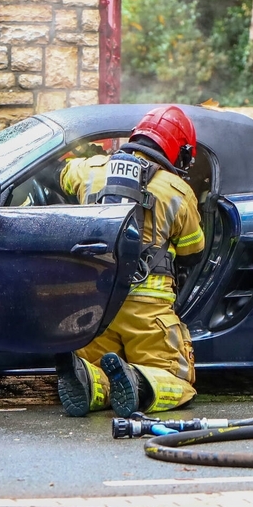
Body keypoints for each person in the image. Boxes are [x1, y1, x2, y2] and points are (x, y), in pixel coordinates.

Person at [54, 105, 206, 418]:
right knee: (178, 380)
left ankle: (90, 382)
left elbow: (64, 174)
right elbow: (193, 249)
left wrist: (88, 158)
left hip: (95, 308)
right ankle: (137, 382)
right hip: (147, 310)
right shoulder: (177, 190)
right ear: (179, 150)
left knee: (95, 364)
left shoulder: (92, 170)